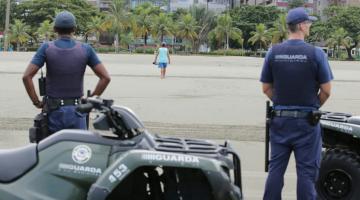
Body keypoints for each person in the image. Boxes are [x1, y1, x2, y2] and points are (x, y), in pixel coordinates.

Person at [260, 7, 333, 200]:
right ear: (301, 25)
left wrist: (283, 104)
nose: (310, 26)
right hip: (307, 123)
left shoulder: (273, 52)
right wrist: (312, 105)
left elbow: (266, 88)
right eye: (308, 23)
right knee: (306, 174)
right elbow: (326, 90)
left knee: (276, 170)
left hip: (280, 121)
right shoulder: (316, 53)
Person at [22, 11, 111, 134]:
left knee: (53, 150)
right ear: (74, 29)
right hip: (77, 112)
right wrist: (89, 101)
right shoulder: (86, 49)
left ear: (54, 29)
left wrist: (37, 102)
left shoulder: (46, 48)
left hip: (53, 112)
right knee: (78, 149)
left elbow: (26, 76)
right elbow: (105, 78)